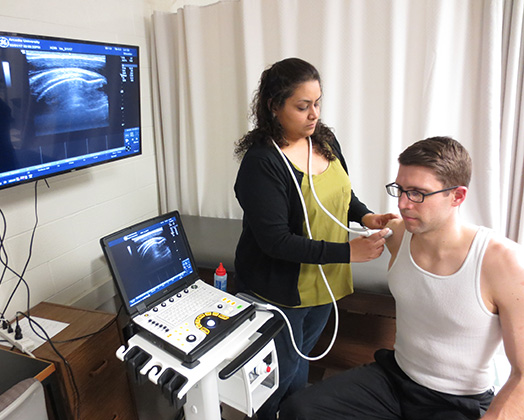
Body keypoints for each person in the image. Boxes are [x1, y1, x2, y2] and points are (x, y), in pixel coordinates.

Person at [279, 136, 524, 420]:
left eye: (418, 193)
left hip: (457, 400)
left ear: (457, 196)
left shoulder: (502, 261)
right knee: (298, 410)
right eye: (400, 190)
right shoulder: (399, 235)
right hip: (393, 379)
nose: (405, 204)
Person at [233, 57, 397, 420]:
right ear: (274, 107)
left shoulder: (324, 141)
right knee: (279, 374)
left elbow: (342, 195)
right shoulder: (263, 163)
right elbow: (276, 241)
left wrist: (367, 216)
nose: (313, 115)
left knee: (301, 361)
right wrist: (348, 252)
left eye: (317, 103)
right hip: (281, 291)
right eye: (302, 106)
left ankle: (294, 414)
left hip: (324, 281)